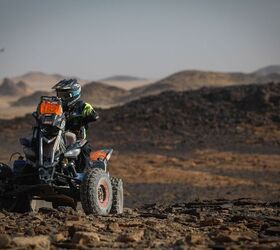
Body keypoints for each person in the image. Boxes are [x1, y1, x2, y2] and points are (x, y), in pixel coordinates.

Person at [52, 79, 99, 169]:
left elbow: (93, 114)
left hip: (76, 139)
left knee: (84, 149)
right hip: (56, 136)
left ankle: (84, 174)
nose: (60, 98)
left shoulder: (82, 106)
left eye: (63, 95)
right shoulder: (56, 107)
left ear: (73, 94)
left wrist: (89, 114)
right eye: (59, 94)